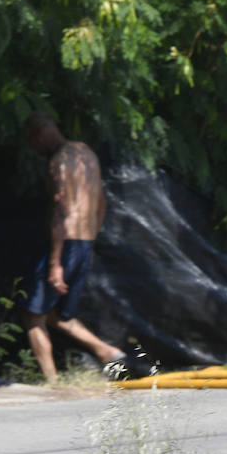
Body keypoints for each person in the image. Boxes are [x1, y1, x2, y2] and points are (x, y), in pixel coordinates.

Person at [20, 111, 154, 381]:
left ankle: (53, 382)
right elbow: (101, 202)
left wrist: (56, 263)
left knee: (33, 317)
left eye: (32, 141)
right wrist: (90, 243)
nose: (34, 149)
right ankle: (108, 353)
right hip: (83, 243)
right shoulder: (86, 154)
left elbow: (60, 210)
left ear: (40, 133)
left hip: (66, 243)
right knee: (59, 316)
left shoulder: (58, 162)